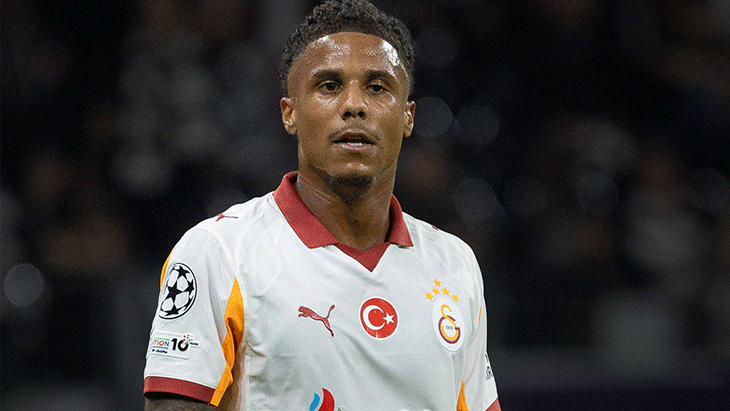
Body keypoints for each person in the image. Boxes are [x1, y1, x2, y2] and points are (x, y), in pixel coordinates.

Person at [143, 0, 501, 410]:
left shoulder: (455, 264)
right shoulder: (219, 251)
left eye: (377, 87)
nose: (354, 105)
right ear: (289, 113)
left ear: (408, 116)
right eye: (329, 86)